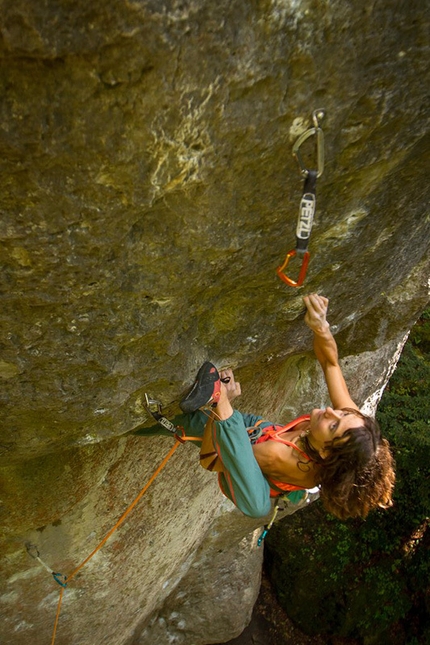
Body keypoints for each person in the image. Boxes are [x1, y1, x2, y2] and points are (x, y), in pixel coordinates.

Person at [134, 294, 395, 520]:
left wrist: (223, 404)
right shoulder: (353, 427)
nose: (331, 411)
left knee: (256, 506)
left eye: (334, 424)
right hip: (259, 432)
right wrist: (321, 327)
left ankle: (212, 401)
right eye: (341, 413)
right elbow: (331, 364)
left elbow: (214, 459)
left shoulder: (280, 457)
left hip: (250, 451)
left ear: (326, 453)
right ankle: (220, 403)